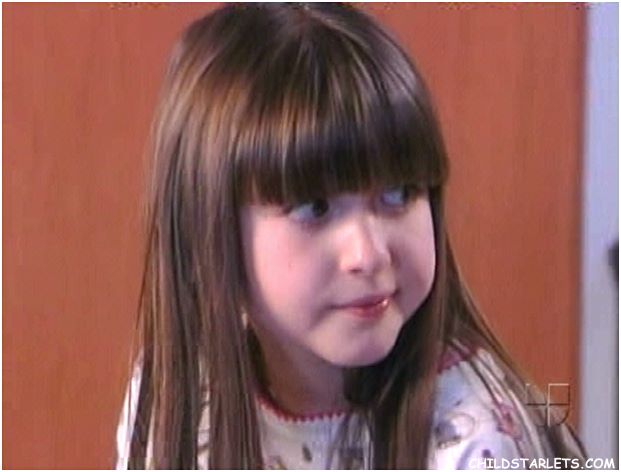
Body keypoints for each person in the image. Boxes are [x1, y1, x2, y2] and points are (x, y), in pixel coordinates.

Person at [115, 3, 586, 469]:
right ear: (205, 228)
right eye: (315, 208)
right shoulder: (175, 400)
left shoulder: (478, 442)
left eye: (399, 194)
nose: (369, 254)